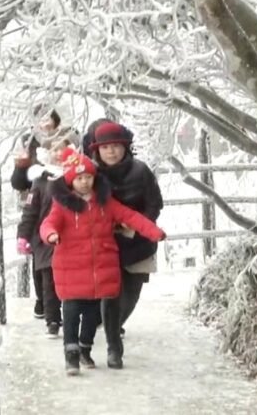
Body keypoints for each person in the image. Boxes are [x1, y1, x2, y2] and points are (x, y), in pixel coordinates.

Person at [39, 147, 165, 376]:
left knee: (90, 315)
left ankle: (85, 349)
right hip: (71, 272)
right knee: (70, 314)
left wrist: (153, 231)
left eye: (88, 177)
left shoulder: (106, 203)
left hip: (97, 271)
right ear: (70, 180)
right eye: (79, 178)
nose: (84, 182)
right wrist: (50, 235)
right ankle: (71, 356)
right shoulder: (63, 205)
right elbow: (48, 223)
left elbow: (130, 216)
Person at [85, 119, 164, 368]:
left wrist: (139, 224)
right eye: (106, 147)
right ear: (97, 149)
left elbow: (155, 204)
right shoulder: (90, 176)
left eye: (116, 146)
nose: (111, 151)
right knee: (109, 297)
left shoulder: (141, 171)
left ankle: (114, 326)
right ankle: (113, 350)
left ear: (125, 147)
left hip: (138, 244)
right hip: (106, 246)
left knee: (129, 297)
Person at [14, 128, 81, 338]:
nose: (57, 153)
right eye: (53, 149)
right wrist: (23, 235)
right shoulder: (40, 180)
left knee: (72, 280)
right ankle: (53, 320)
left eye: (61, 148)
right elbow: (30, 210)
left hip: (73, 236)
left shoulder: (78, 176)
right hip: (45, 238)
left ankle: (76, 315)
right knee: (49, 281)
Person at [10, 104, 62, 320]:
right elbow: (18, 183)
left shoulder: (67, 140)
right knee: (39, 258)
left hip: (60, 203)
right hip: (36, 207)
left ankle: (58, 303)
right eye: (40, 119)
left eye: (48, 118)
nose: (44, 123)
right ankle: (43, 300)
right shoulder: (28, 143)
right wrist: (22, 166)